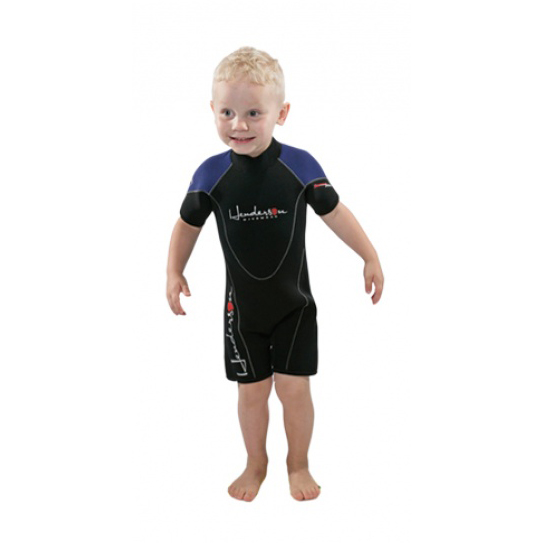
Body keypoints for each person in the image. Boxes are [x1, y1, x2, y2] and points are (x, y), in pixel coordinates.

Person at [166, 46, 384, 502]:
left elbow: (336, 213)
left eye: (253, 113)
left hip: (294, 308)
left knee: (294, 389)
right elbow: (186, 226)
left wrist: (369, 256)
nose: (239, 124)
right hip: (241, 313)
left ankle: (298, 463)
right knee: (251, 393)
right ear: (212, 110)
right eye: (227, 112)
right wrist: (174, 271)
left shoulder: (298, 166)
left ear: (280, 114)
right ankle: (255, 463)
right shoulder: (211, 175)